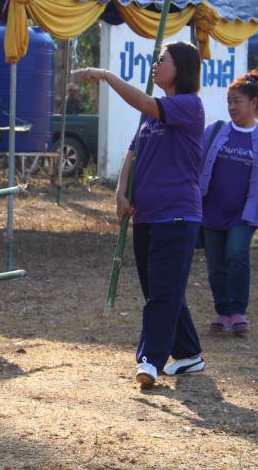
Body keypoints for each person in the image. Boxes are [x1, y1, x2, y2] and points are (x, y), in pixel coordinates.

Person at [74, 41, 205, 389]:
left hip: (177, 214)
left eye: (162, 60)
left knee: (162, 292)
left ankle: (150, 360)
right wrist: (120, 191)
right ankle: (189, 352)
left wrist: (105, 75)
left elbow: (145, 103)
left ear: (181, 69)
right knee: (160, 289)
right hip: (146, 213)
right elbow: (133, 151)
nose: (155, 65)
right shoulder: (153, 112)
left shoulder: (188, 105)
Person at [199, 71, 258, 337]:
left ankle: (238, 311)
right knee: (215, 264)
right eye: (229, 102)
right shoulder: (215, 131)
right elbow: (196, 160)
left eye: (237, 101)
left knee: (236, 253)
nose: (232, 107)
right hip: (211, 210)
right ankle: (223, 312)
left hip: (243, 213)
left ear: (254, 103)